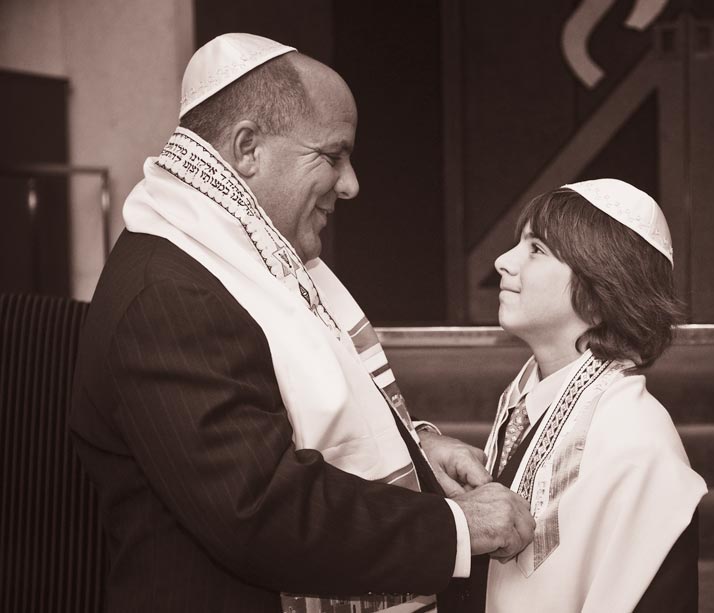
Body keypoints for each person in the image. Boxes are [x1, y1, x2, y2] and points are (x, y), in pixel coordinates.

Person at [68, 33, 534, 613]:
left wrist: (415, 450)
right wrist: (456, 526)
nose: (351, 183)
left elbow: (286, 416)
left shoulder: (243, 258)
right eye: (333, 156)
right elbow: (259, 511)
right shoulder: (169, 296)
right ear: (246, 149)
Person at [440, 180, 708, 612]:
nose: (502, 262)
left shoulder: (638, 445)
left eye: (537, 249)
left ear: (603, 291)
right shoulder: (522, 404)